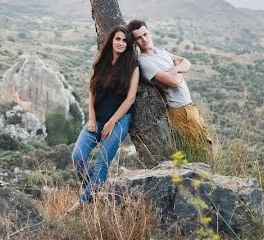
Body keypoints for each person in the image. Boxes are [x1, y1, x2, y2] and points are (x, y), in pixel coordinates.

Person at [69, 25, 140, 212]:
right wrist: (91, 118)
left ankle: (80, 205)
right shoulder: (100, 61)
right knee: (77, 157)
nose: (121, 43)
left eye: (125, 40)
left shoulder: (133, 67)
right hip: (97, 118)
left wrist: (112, 122)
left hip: (119, 120)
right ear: (111, 40)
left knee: (101, 163)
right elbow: (92, 89)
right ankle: (94, 192)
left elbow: (130, 98)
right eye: (118, 39)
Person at [127, 18, 214, 163]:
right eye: (138, 38)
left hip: (189, 108)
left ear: (150, 33)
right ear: (135, 42)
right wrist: (178, 71)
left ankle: (210, 177)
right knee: (200, 148)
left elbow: (187, 62)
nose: (143, 39)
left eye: (145, 34)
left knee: (205, 143)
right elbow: (174, 82)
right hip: (180, 110)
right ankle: (206, 179)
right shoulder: (145, 62)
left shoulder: (161, 51)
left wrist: (175, 69)